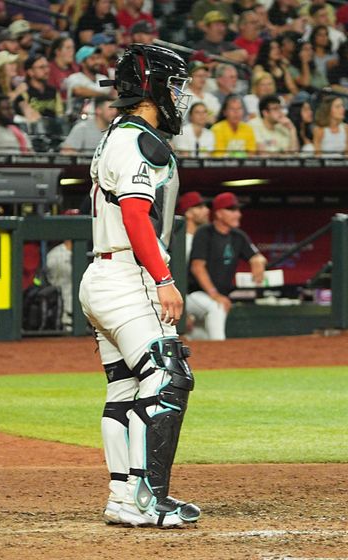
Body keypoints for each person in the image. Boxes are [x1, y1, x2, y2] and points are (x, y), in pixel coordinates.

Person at [77, 44, 200, 528]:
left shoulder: (117, 135)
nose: (180, 96)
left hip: (105, 276)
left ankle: (123, 498)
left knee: (126, 390)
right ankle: (150, 499)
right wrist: (163, 279)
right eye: (174, 86)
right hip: (128, 277)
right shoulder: (138, 142)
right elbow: (134, 216)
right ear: (152, 90)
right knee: (170, 378)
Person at [188, 192, 266, 341]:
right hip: (193, 294)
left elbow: (256, 256)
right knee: (216, 308)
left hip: (216, 297)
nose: (238, 214)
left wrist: (258, 261)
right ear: (219, 213)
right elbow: (197, 267)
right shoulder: (205, 233)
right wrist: (214, 294)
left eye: (238, 210)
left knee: (200, 338)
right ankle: (221, 348)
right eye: (232, 210)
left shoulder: (238, 236)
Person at [177, 191, 210, 261]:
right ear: (188, 213)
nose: (207, 210)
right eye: (200, 207)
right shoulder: (181, 242)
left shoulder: (207, 238)